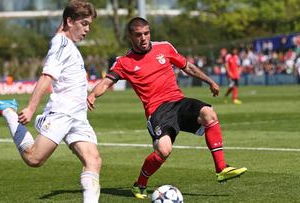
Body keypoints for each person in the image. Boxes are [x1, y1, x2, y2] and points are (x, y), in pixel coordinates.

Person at [87, 17, 247, 199]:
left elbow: (188, 67)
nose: (144, 38)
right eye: (138, 35)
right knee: (163, 150)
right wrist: (92, 94)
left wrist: (209, 81)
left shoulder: (164, 47)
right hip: (158, 111)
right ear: (131, 36)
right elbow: (106, 82)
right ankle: (139, 184)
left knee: (208, 113)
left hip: (178, 102)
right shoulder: (124, 62)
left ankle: (221, 168)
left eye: (146, 33)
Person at [0, 1, 101, 202]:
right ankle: (10, 112)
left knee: (93, 160)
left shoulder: (64, 41)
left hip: (78, 116)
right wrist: (31, 108)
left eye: (89, 25)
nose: (87, 30)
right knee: (33, 158)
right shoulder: (61, 44)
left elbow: (61, 29)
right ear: (70, 21)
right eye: (85, 23)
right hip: (62, 113)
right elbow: (46, 77)